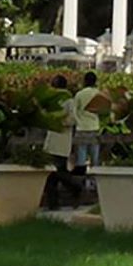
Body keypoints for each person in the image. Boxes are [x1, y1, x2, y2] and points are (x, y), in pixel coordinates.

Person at [43, 74, 79, 209]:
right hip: (51, 140)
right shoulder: (51, 100)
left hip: (62, 140)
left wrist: (59, 121)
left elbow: (73, 119)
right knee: (50, 174)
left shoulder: (69, 101)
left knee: (59, 172)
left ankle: (75, 188)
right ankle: (53, 203)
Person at [71, 72, 104, 168]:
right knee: (95, 156)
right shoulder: (99, 94)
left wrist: (78, 122)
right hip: (94, 127)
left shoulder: (79, 94)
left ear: (85, 81)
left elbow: (74, 111)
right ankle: (95, 176)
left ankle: (81, 178)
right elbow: (103, 111)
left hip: (81, 128)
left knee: (81, 156)